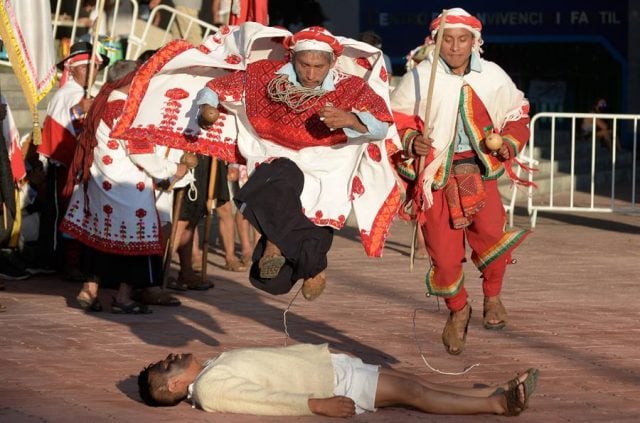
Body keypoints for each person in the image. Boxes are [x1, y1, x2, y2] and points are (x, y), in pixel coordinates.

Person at [195, 25, 400, 301]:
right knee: (278, 177)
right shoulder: (264, 75)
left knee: (276, 278)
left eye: (319, 66)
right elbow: (215, 88)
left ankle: (276, 243)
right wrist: (206, 110)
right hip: (275, 154)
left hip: (328, 166)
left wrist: (353, 120)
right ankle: (309, 265)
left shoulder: (351, 87)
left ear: (333, 62)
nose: (311, 74)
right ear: (292, 57)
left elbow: (382, 126)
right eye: (305, 65)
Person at [390, 8, 532, 355]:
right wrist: (412, 140)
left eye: (462, 39)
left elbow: (517, 114)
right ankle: (458, 310)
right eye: (447, 39)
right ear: (436, 41)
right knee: (443, 254)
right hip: (436, 174)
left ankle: (493, 297)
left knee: (493, 239)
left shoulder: (493, 76)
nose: (454, 47)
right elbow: (397, 117)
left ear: (474, 42)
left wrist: (509, 142)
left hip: (478, 171)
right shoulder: (421, 76)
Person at [59, 60, 187, 313]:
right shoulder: (124, 110)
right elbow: (141, 153)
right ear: (129, 81)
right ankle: (123, 298)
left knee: (100, 241)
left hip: (101, 183)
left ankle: (89, 289)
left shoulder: (101, 102)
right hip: (127, 188)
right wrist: (174, 169)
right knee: (135, 244)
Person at [137, 343, 538, 417]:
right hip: (333, 387)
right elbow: (260, 401)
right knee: (414, 394)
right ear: (173, 387)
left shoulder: (210, 369)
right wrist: (314, 405)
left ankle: (494, 391)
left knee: (413, 385)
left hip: (333, 369)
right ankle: (497, 404)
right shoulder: (208, 388)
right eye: (165, 365)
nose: (170, 356)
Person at [37, 41, 108, 281]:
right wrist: (78, 111)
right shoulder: (67, 96)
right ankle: (61, 261)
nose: (92, 72)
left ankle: (75, 261)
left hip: (85, 167)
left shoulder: (90, 95)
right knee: (66, 213)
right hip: (66, 167)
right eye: (86, 67)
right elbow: (59, 133)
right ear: (72, 69)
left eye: (95, 67)